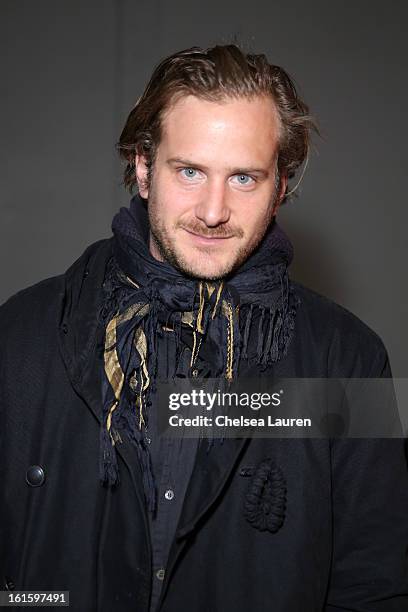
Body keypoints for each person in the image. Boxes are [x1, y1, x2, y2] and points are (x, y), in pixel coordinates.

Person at [1, 44, 407, 612]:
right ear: (143, 167)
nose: (213, 211)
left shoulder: (351, 360)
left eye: (243, 178)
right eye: (189, 171)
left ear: (280, 185)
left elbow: (376, 588)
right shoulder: (21, 336)